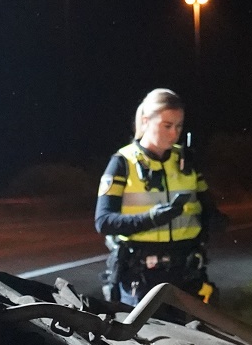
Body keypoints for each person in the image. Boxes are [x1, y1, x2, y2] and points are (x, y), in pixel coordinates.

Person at [95, 88, 224, 303]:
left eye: (179, 126)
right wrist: (152, 219)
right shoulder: (123, 162)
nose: (174, 133)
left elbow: (209, 211)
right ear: (146, 121)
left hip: (187, 274)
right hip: (142, 278)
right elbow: (104, 222)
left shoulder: (187, 161)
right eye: (167, 126)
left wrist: (216, 221)